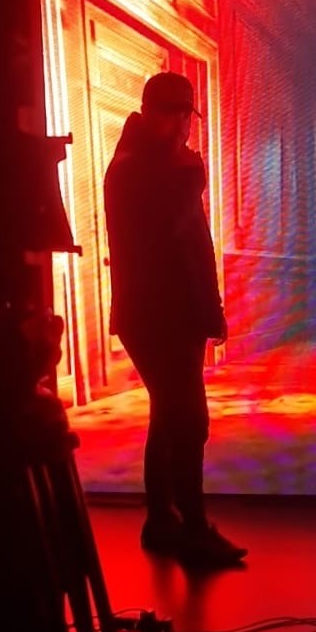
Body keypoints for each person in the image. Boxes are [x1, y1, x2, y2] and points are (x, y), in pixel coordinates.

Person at [104, 71, 247, 569]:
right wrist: (192, 173)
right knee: (188, 421)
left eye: (187, 114)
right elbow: (174, 236)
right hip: (158, 318)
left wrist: (210, 312)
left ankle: (163, 523)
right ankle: (192, 531)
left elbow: (192, 250)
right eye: (180, 114)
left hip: (167, 316)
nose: (186, 125)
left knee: (169, 418)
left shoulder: (146, 164)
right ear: (158, 114)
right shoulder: (141, 169)